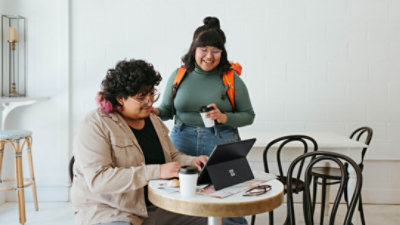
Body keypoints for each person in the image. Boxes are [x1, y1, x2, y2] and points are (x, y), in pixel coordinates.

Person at [70, 59, 208, 225]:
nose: (150, 101)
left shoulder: (153, 120)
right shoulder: (94, 124)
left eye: (151, 93)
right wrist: (156, 172)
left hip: (154, 207)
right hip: (109, 211)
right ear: (120, 98)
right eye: (141, 96)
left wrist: (192, 161)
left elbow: (172, 155)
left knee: (215, 219)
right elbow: (99, 180)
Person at [153, 17, 255, 225]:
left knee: (229, 198)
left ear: (222, 53)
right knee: (179, 196)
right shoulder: (179, 75)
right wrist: (149, 110)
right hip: (181, 139)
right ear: (194, 50)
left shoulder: (231, 79)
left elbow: (248, 115)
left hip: (221, 140)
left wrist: (223, 117)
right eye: (204, 49)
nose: (209, 56)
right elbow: (165, 111)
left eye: (216, 51)